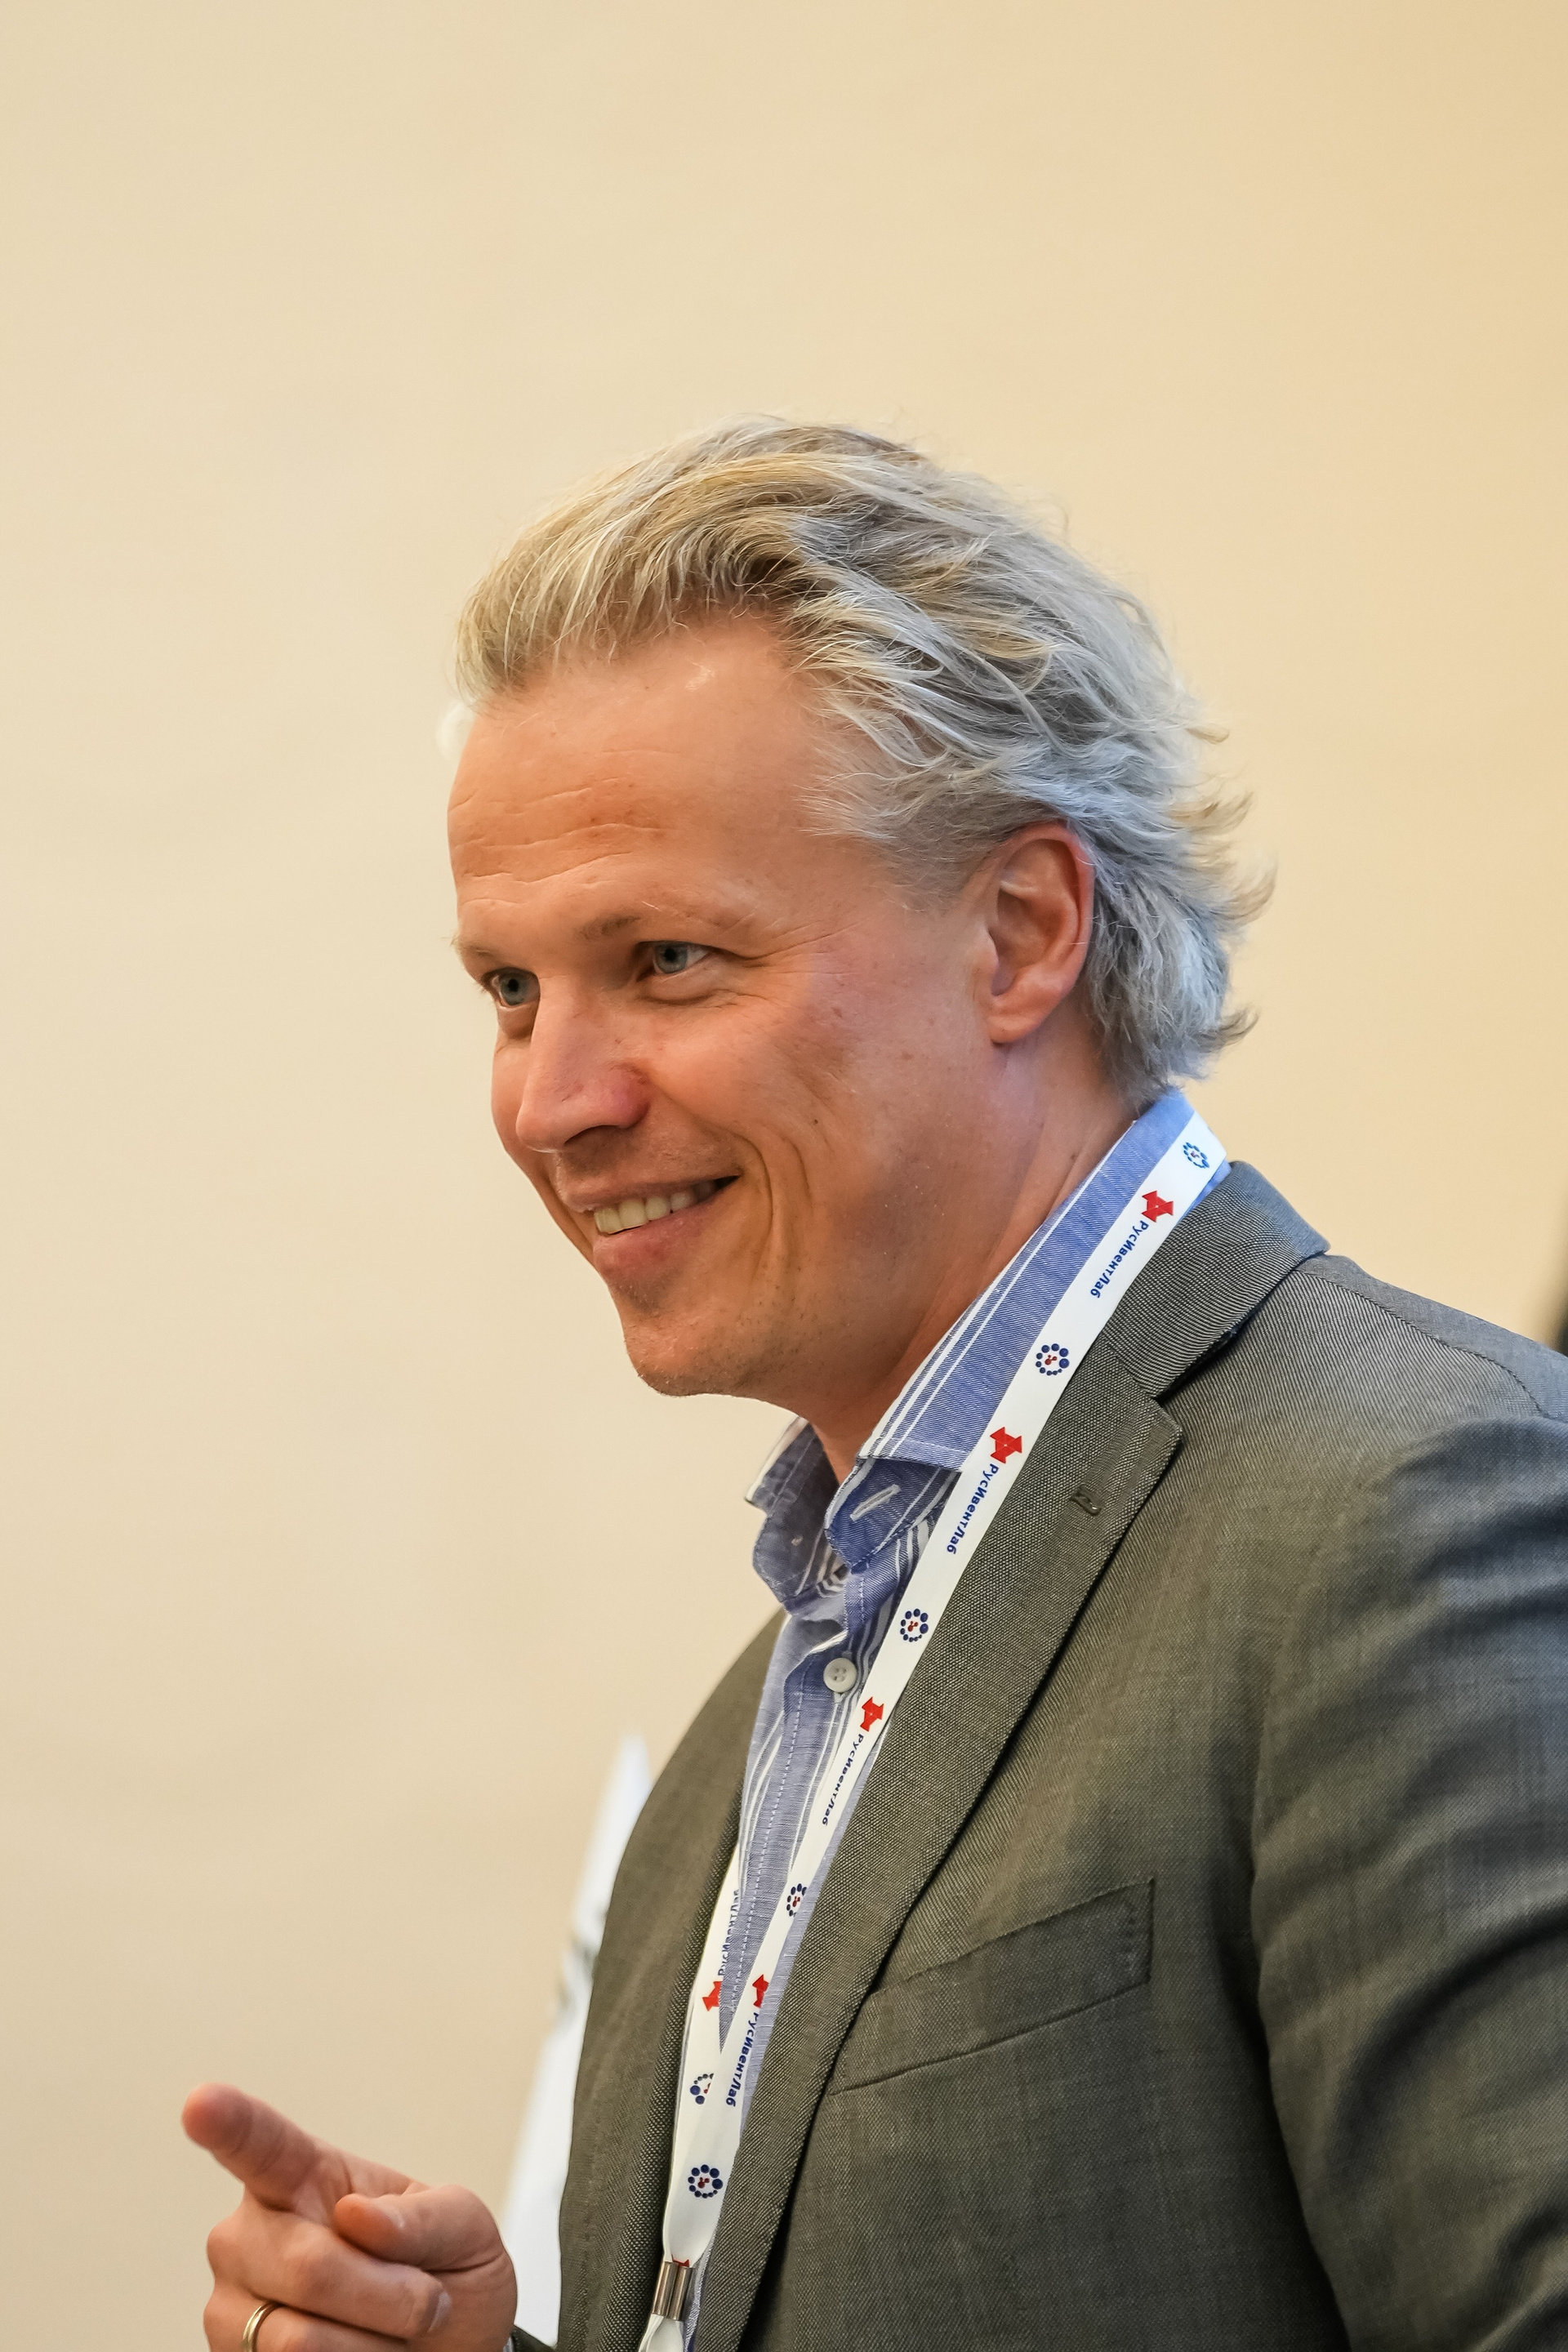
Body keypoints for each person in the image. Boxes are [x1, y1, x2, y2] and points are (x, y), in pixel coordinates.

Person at [185, 421, 1568, 2352]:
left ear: (1022, 933)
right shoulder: (735, 1751)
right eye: (508, 990)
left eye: (667, 960)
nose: (551, 1101)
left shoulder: (1418, 1511)